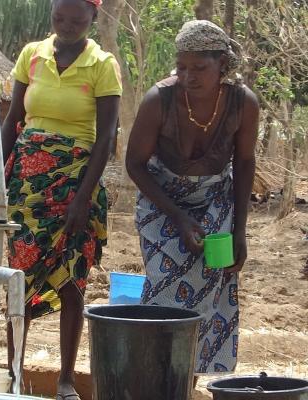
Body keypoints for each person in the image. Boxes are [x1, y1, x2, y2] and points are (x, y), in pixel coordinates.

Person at [125, 20, 259, 375]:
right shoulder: (159, 100)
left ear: (222, 66)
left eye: (200, 68)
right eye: (182, 67)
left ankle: (191, 381)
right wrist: (178, 217)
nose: (189, 76)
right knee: (163, 286)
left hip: (216, 197)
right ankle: (156, 377)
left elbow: (245, 162)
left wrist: (240, 232)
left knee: (215, 280)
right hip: (162, 198)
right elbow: (135, 164)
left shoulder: (243, 103)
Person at [1, 0, 121, 398]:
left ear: (93, 18)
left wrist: (82, 198)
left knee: (72, 282)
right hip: (27, 187)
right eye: (59, 18)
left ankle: (66, 378)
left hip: (76, 184)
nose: (67, 26)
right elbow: (13, 119)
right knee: (18, 280)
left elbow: (105, 138)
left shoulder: (102, 65)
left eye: (76, 19)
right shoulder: (31, 56)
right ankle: (14, 375)